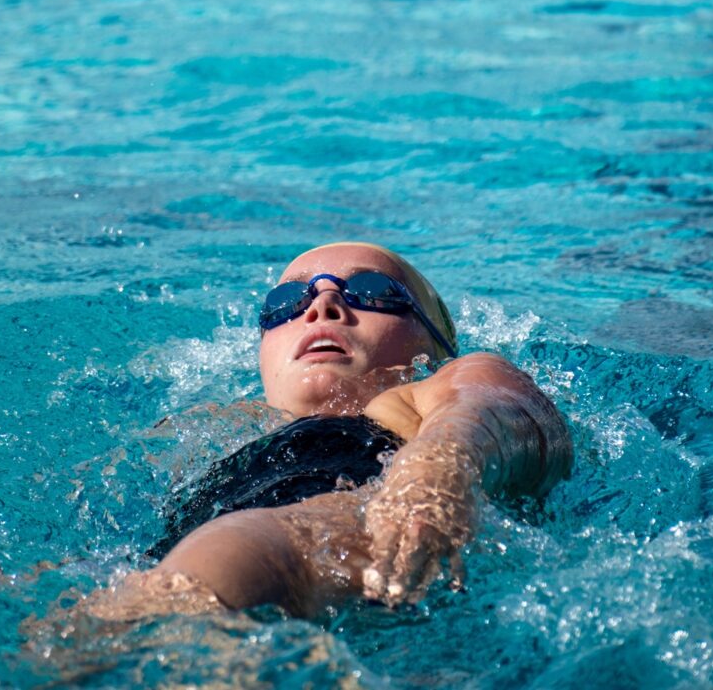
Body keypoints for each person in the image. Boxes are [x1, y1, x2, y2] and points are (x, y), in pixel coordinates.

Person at [81, 242, 573, 620]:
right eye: (288, 300)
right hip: (185, 568)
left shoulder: (427, 391)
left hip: (351, 531)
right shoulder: (222, 428)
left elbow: (503, 412)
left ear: (438, 348)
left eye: (375, 292)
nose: (323, 305)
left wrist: (436, 469)